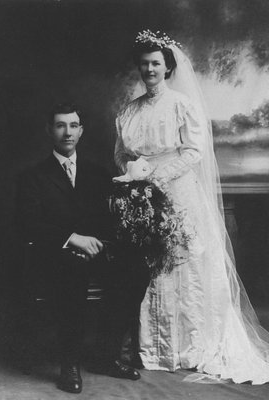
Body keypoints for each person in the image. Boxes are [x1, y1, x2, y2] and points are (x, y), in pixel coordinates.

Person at [114, 30, 269, 384]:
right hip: (141, 196)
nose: (149, 69)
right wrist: (134, 175)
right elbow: (121, 154)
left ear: (167, 68)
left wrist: (157, 177)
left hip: (179, 194)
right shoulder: (128, 112)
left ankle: (191, 347)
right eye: (144, 64)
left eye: (156, 64)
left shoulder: (182, 105)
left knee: (185, 265)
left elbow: (193, 151)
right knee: (149, 269)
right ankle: (152, 348)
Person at [17, 103, 150, 394]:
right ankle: (70, 362)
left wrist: (99, 243)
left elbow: (108, 220)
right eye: (60, 125)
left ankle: (106, 354)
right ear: (49, 131)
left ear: (81, 131)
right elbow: (28, 224)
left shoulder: (98, 173)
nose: (67, 132)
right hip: (52, 252)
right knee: (71, 272)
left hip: (95, 249)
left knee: (136, 269)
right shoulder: (33, 176)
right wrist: (70, 238)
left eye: (73, 125)